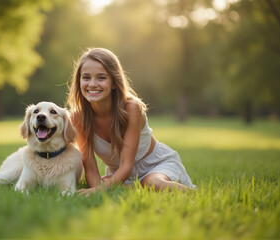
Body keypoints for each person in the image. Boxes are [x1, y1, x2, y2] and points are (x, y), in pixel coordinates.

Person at [66, 48, 196, 196]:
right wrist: (96, 188)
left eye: (101, 78)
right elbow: (90, 167)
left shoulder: (131, 109)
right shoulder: (77, 117)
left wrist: (101, 189)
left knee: (151, 183)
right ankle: (136, 188)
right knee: (109, 186)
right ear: (79, 81)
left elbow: (126, 166)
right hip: (118, 173)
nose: (92, 84)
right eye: (86, 77)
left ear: (114, 83)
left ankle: (195, 194)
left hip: (155, 165)